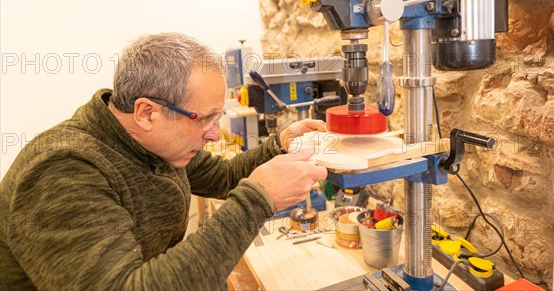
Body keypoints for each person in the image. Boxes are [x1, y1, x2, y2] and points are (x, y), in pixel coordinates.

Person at [0, 33, 328, 290]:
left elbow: (224, 176)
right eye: (206, 119)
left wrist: (279, 144)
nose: (215, 135)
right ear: (147, 113)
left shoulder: (153, 144)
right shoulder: (63, 171)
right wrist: (259, 198)